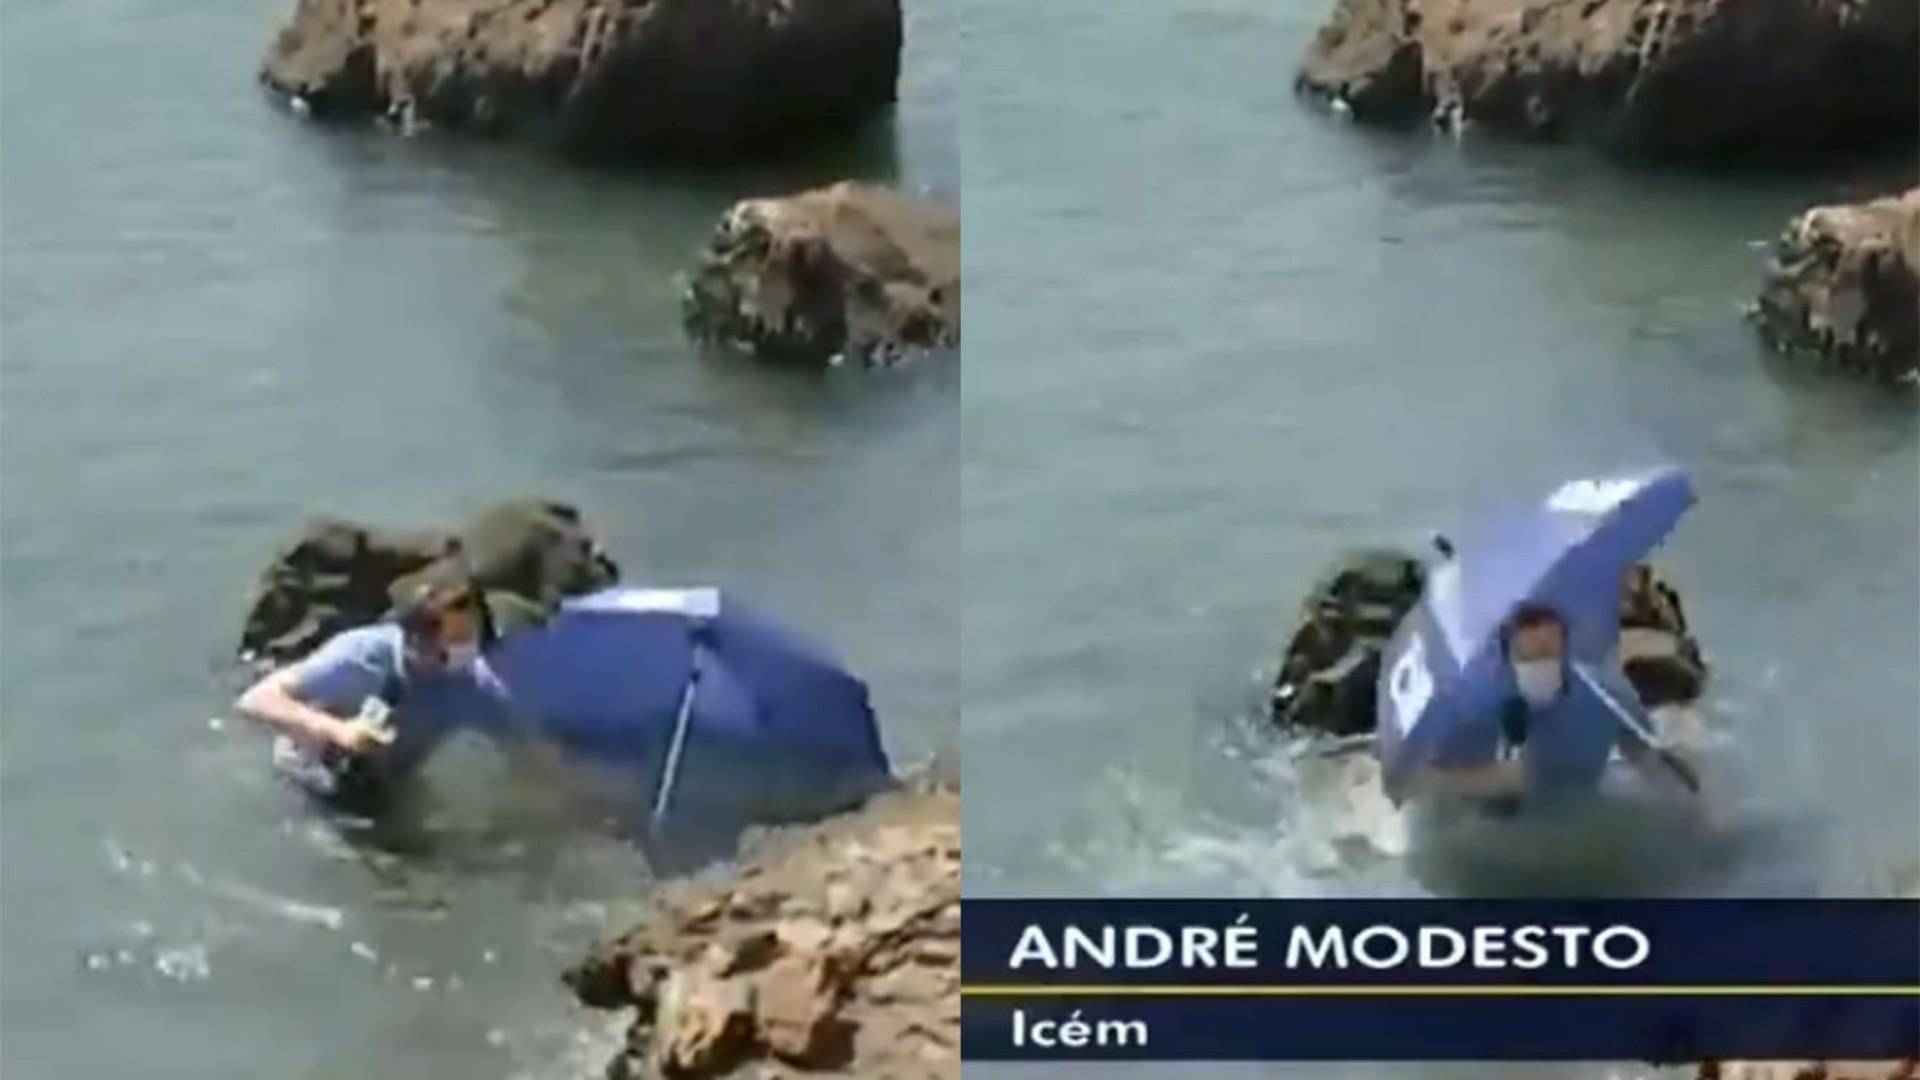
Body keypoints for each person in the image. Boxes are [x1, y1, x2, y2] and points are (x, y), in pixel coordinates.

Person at [235, 563, 523, 814]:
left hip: (388, 784)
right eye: (457, 638)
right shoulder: (362, 657)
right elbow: (256, 700)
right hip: (309, 779)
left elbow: (526, 749)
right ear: (417, 639)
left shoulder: (472, 684)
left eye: (473, 636)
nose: (468, 648)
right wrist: (339, 731)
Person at [1396, 603, 1701, 810]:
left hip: (1574, 827)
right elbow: (1416, 781)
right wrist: (1485, 782)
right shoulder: (1468, 707)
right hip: (1484, 834)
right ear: (1505, 658)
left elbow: (1647, 757)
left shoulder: (1603, 698)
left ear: (1566, 650)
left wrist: (1681, 787)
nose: (1540, 665)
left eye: (1548, 654)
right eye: (1528, 658)